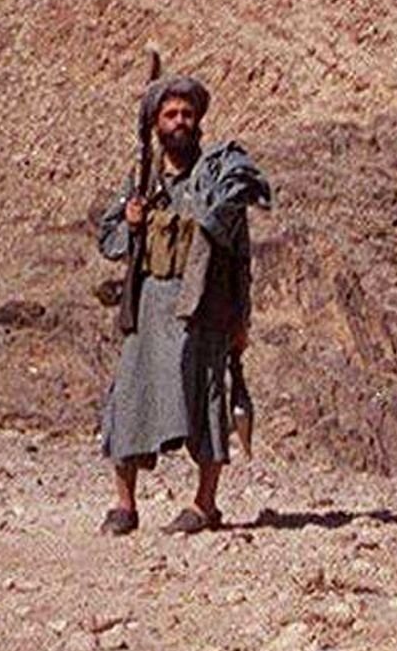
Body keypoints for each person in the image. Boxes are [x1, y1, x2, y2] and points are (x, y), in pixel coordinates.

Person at [96, 73, 269, 536]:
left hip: (203, 305)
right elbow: (108, 241)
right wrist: (131, 223)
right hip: (150, 303)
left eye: (187, 114)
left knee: (207, 398)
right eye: (170, 114)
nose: (180, 122)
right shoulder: (140, 182)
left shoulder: (217, 179)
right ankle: (124, 505)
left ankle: (204, 504)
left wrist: (241, 318)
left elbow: (238, 254)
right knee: (130, 397)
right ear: (155, 123)